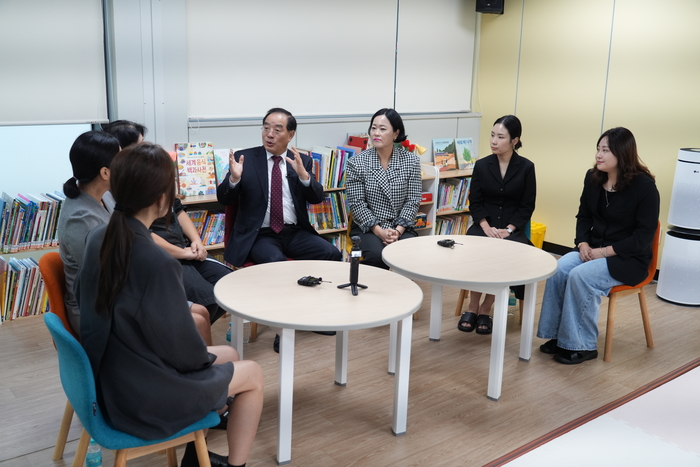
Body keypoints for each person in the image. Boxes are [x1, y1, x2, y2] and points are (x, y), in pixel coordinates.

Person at [76, 143, 263, 467]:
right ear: (163, 199)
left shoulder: (98, 236)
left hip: (110, 376)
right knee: (254, 374)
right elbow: (186, 353)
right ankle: (237, 465)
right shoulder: (157, 262)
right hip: (141, 396)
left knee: (230, 356)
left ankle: (195, 452)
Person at [537, 127, 659, 364]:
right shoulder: (593, 178)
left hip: (627, 259)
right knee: (559, 268)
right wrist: (582, 243)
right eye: (598, 149)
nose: (598, 155)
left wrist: (603, 252)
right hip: (592, 249)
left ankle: (582, 345)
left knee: (581, 276)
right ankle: (557, 336)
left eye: (605, 150)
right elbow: (583, 216)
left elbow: (643, 237)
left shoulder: (644, 187)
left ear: (622, 154)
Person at [102, 120, 232, 326]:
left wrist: (197, 240)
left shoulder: (149, 174)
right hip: (168, 255)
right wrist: (184, 253)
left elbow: (177, 209)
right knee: (207, 299)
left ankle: (195, 332)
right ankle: (192, 334)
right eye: (140, 144)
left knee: (227, 283)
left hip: (183, 250)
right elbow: (139, 232)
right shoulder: (119, 190)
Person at [216, 107, 342, 267]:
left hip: (295, 232)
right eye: (266, 128)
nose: (269, 134)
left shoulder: (300, 161)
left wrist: (304, 176)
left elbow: (316, 198)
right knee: (276, 262)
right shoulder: (244, 158)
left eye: (277, 130)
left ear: (290, 135)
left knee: (332, 253)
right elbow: (224, 199)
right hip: (259, 234)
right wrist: (234, 179)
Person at [457, 115, 536, 335]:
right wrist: (484, 225)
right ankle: (472, 306)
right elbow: (476, 201)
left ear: (514, 140)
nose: (494, 141)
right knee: (474, 249)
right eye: (492, 135)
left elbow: (527, 205)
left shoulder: (527, 168)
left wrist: (509, 229)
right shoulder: (482, 165)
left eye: (501, 137)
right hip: (484, 225)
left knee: (508, 254)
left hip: (511, 229)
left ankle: (486, 307)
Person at [56, 131, 120, 334]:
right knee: (192, 318)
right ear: (105, 172)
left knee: (195, 313)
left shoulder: (105, 196)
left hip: (116, 295)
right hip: (95, 310)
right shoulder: (80, 219)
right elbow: (105, 275)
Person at [345, 108, 421, 269]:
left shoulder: (411, 161)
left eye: (382, 129)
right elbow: (358, 204)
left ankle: (405, 293)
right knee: (377, 256)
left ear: (396, 133)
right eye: (373, 128)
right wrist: (380, 232)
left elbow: (413, 201)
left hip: (401, 226)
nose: (376, 133)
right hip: (368, 227)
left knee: (410, 252)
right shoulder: (357, 162)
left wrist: (397, 231)